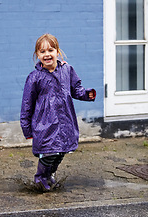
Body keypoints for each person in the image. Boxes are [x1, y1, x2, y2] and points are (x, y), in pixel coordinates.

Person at [20, 33, 96, 191]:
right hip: (45, 124)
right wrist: (26, 128)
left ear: (57, 52)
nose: (47, 54)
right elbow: (27, 104)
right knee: (49, 153)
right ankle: (40, 178)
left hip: (65, 121)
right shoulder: (34, 77)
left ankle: (49, 175)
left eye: (51, 50)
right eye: (42, 51)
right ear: (37, 55)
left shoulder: (67, 70)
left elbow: (76, 89)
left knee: (61, 152)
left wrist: (86, 94)